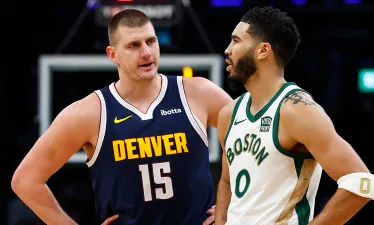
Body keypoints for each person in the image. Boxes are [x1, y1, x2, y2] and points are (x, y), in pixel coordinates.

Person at [11, 9, 232, 225]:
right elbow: (25, 181)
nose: (146, 52)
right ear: (112, 54)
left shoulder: (198, 93)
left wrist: (232, 205)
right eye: (134, 45)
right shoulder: (89, 113)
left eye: (151, 41)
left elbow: (258, 143)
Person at [215, 6, 374, 225]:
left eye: (236, 41)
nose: (227, 49)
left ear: (263, 50)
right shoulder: (229, 114)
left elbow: (362, 183)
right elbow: (226, 182)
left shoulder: (297, 110)